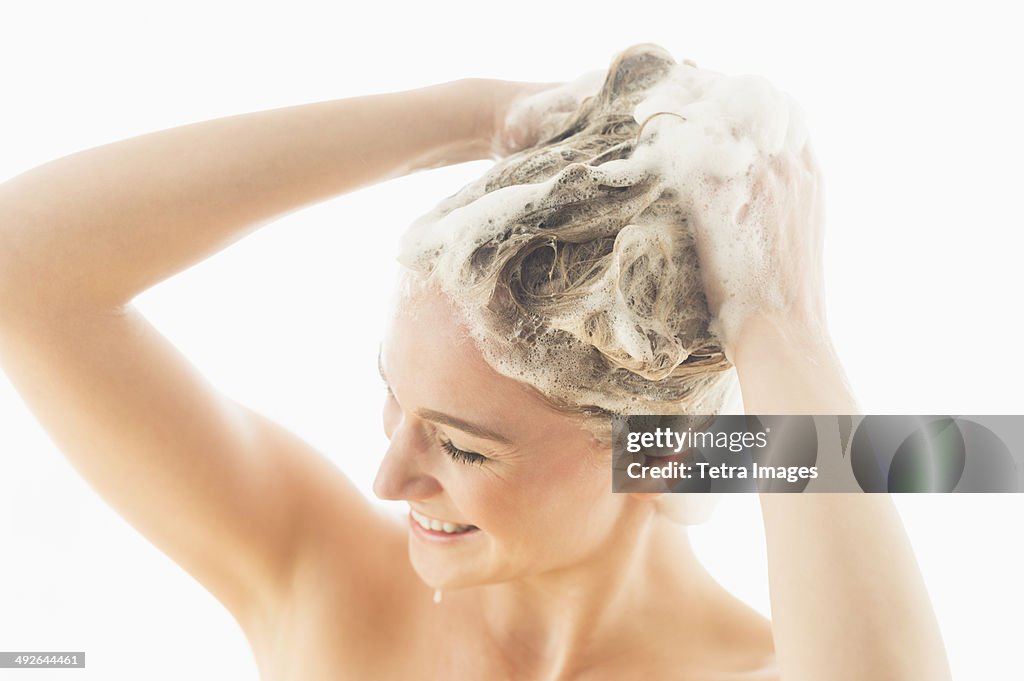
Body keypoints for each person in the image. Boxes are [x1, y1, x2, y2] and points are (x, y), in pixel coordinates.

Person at [0, 44, 951, 680]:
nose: (386, 477)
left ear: (657, 453)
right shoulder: (328, 586)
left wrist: (781, 324)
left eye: (463, 447)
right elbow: (24, 263)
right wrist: (470, 118)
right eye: (392, 399)